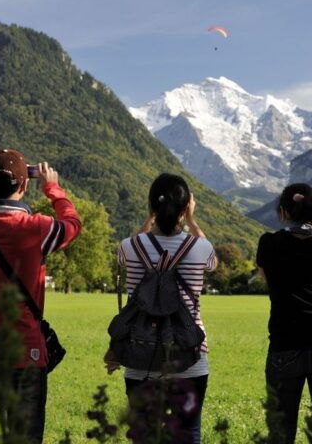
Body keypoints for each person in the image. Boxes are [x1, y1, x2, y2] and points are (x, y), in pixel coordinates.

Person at [0, 149, 82, 443]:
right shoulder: (38, 228)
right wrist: (52, 187)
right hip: (25, 357)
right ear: (24, 186)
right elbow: (73, 224)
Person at [111, 173, 217, 444]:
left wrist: (148, 219)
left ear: (151, 207)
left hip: (139, 353)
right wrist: (192, 221)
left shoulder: (130, 245)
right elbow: (212, 263)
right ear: (185, 208)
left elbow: (128, 251)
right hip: (189, 354)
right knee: (189, 431)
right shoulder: (200, 247)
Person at [256, 183, 312, 444]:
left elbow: (265, 276)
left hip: (285, 343)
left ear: (283, 212)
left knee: (281, 432)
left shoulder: (268, 243)